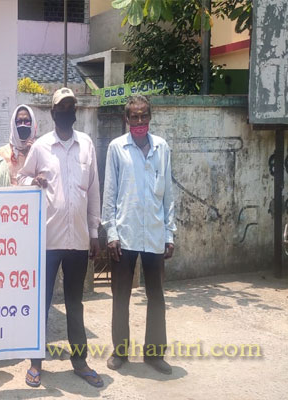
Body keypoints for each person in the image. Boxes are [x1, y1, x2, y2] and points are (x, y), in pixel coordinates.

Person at [17, 87, 103, 388]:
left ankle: (80, 362)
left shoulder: (86, 145)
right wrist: (33, 180)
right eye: (61, 107)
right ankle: (36, 363)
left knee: (75, 303)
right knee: (41, 303)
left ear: (75, 111)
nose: (67, 111)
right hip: (48, 241)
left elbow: (94, 190)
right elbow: (21, 178)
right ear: (53, 113)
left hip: (78, 240)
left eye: (70, 106)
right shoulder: (41, 147)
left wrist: (94, 232)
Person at [102, 94, 176, 375]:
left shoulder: (162, 148)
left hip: (154, 234)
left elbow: (168, 195)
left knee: (156, 296)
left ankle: (154, 354)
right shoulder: (117, 148)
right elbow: (110, 192)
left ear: (150, 117)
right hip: (125, 234)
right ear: (127, 119)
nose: (140, 120)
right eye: (134, 116)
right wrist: (111, 233)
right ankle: (120, 351)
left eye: (144, 115)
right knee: (121, 296)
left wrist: (169, 234)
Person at [0, 104, 38, 185]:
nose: (23, 125)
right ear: (13, 124)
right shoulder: (1, 153)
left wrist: (31, 154)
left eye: (27, 121)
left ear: (32, 123)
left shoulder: (38, 150)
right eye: (19, 122)